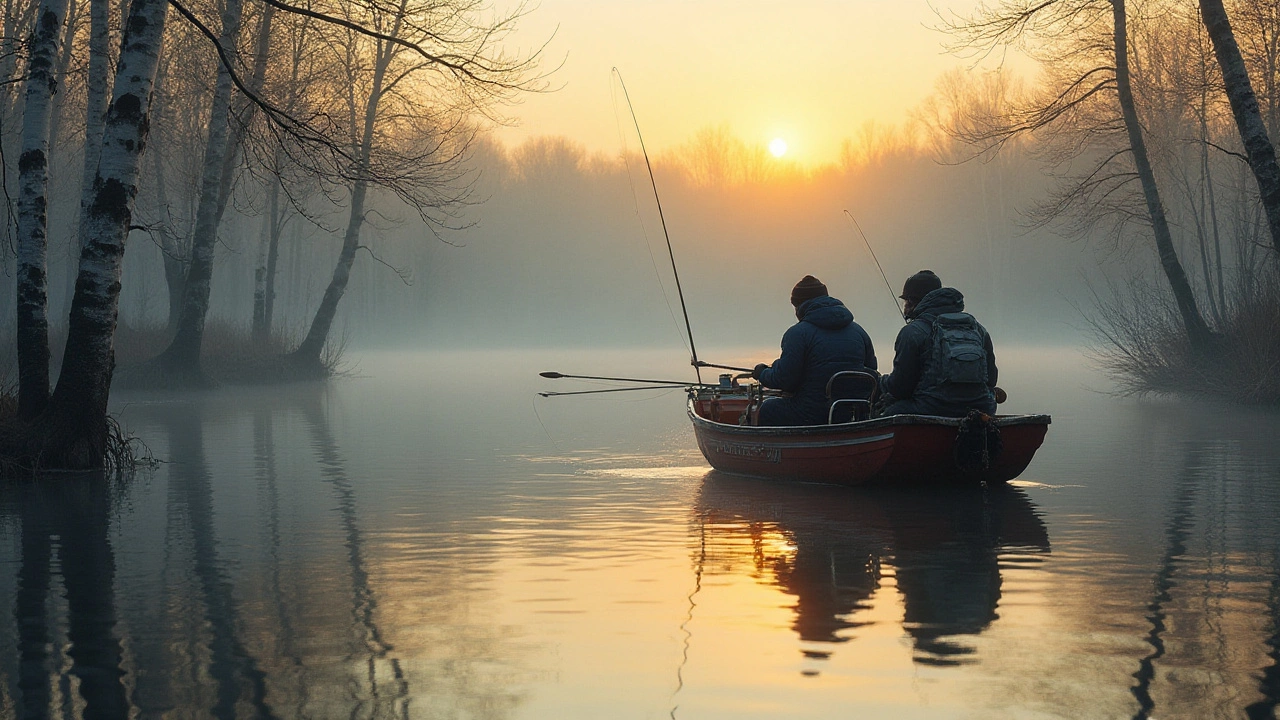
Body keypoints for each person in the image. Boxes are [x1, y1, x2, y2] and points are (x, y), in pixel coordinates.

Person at [751, 275, 877, 426]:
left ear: (799, 306)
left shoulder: (797, 333)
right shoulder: (860, 332)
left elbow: (785, 380)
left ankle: (781, 449)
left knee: (768, 408)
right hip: (853, 415)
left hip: (811, 414)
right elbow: (871, 372)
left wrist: (762, 373)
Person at [878, 270, 998, 417]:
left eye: (906, 301)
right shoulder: (977, 329)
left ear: (911, 301)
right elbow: (991, 379)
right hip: (981, 409)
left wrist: (881, 382)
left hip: (930, 409)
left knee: (889, 410)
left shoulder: (912, 332)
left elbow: (901, 388)